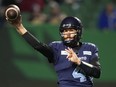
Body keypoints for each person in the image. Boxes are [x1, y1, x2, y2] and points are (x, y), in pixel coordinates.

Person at [5, 7, 101, 87]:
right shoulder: (57, 47)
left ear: (78, 31)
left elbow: (97, 73)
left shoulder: (90, 48)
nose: (67, 34)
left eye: (70, 30)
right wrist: (19, 27)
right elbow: (38, 46)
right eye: (64, 31)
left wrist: (79, 62)